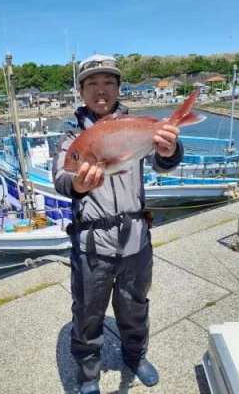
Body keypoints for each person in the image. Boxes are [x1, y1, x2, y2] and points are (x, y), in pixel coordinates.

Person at [53, 54, 184, 394]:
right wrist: (78, 185)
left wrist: (170, 147)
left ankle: (135, 356)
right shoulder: (70, 140)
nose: (101, 90)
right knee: (87, 315)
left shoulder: (133, 125)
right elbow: (60, 179)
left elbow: (161, 161)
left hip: (136, 241)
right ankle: (88, 375)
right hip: (91, 247)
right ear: (81, 91)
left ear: (118, 89)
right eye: (93, 84)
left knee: (134, 307)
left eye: (108, 83)